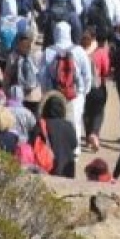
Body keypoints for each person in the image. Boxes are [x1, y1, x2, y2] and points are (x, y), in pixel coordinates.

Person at [40, 22, 92, 152]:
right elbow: (87, 74)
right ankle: (75, 150)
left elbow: (42, 76)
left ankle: (57, 149)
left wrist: (46, 92)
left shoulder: (48, 51)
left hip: (55, 93)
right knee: (75, 121)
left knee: (55, 122)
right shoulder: (79, 51)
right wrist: (84, 91)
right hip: (75, 93)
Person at [34, 91, 78, 178]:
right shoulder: (68, 125)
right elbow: (74, 144)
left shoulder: (41, 124)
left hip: (48, 167)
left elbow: (34, 144)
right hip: (67, 168)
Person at [79, 29, 109, 152]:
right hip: (98, 87)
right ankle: (94, 133)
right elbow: (105, 70)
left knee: (86, 112)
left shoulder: (78, 52)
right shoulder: (100, 52)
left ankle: (87, 137)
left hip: (83, 88)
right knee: (98, 112)